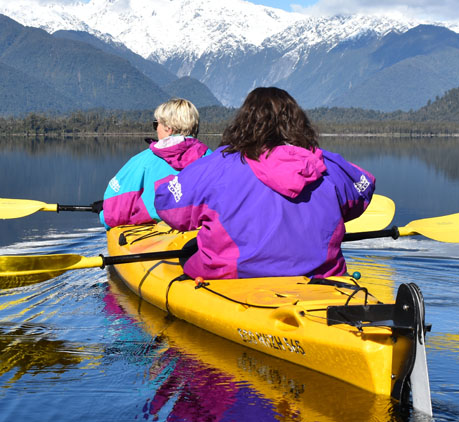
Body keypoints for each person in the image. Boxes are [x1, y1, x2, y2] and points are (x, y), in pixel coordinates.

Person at [153, 87, 374, 280]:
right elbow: (364, 188)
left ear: (243, 123)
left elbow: (170, 208)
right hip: (320, 276)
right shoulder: (326, 164)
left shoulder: (215, 166)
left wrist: (166, 182)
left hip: (232, 277)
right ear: (298, 122)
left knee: (190, 250)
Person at [100, 98, 210, 227]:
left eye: (156, 124)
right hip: (196, 235)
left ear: (168, 128)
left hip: (153, 240)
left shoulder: (142, 162)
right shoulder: (213, 158)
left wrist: (102, 214)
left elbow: (113, 214)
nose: (156, 129)